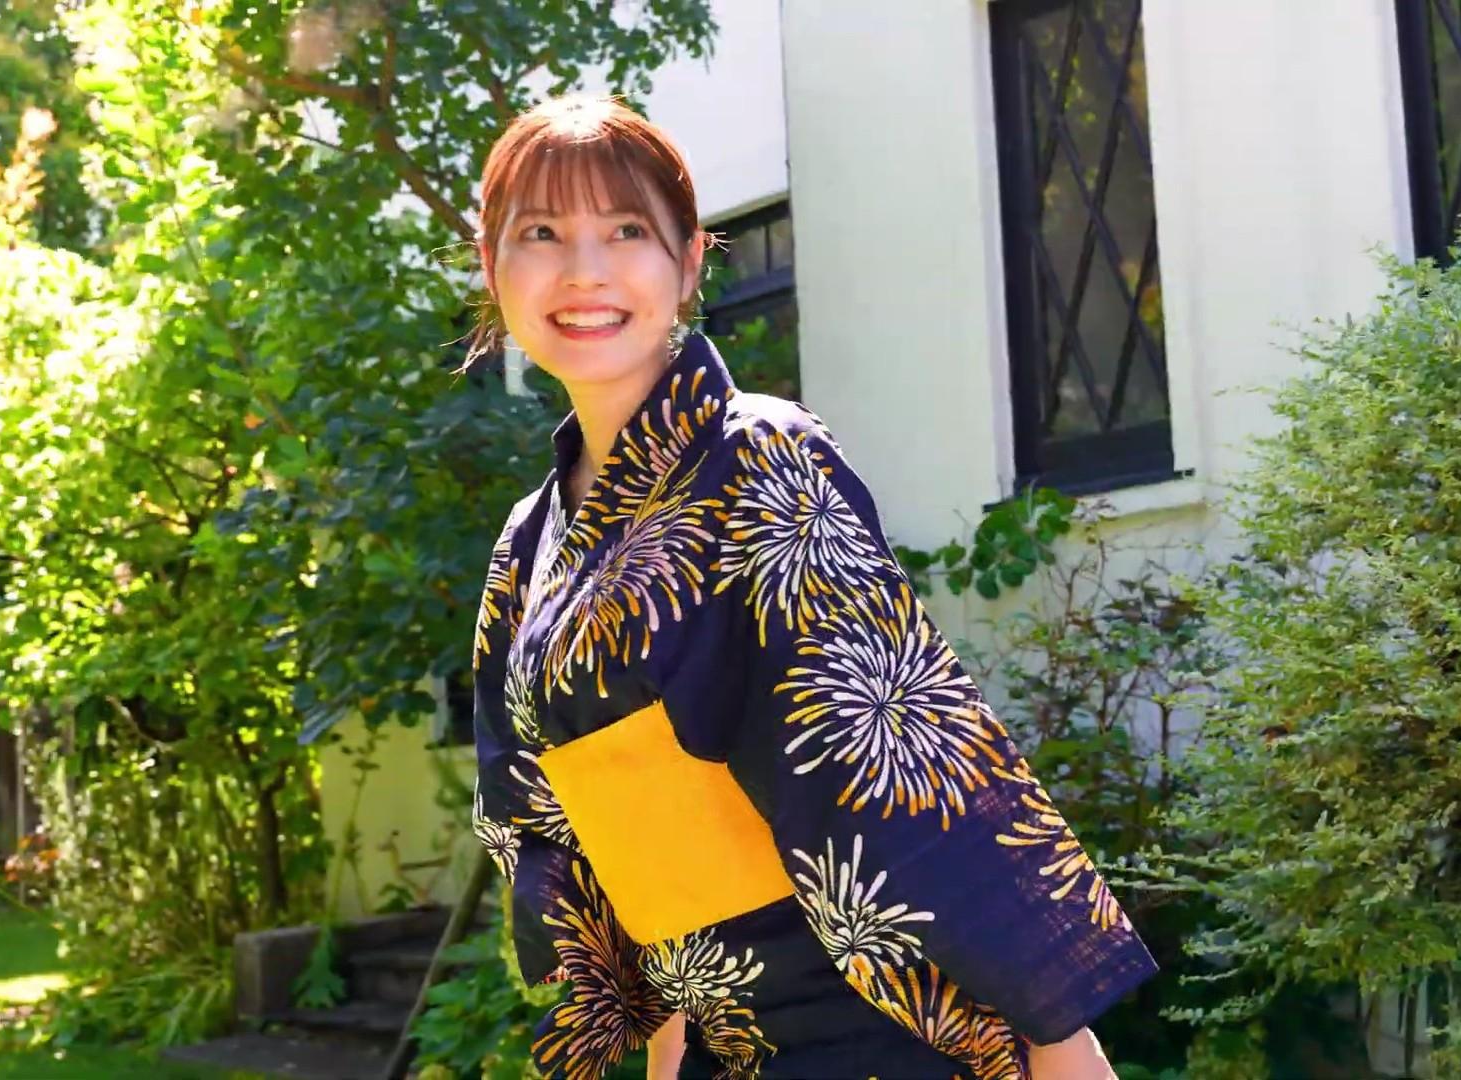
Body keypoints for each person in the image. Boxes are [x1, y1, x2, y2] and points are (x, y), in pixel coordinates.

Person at [465, 94, 1157, 1080]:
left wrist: (1060, 1041)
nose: (584, 271)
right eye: (541, 234)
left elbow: (904, 760)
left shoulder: (761, 457)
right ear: (491, 266)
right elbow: (584, 846)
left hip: (879, 1028)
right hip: (721, 1040)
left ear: (689, 263)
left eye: (626, 231)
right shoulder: (527, 545)